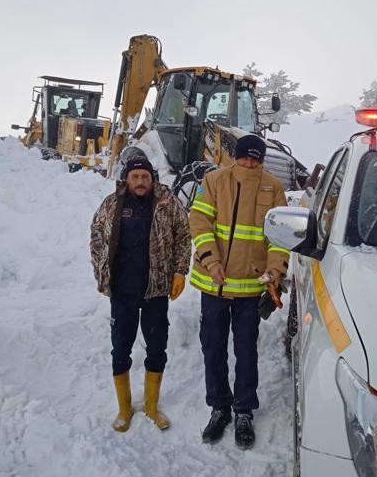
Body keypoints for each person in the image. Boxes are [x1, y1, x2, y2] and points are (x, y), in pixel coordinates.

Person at [188, 134, 290, 449]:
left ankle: (243, 411)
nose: (249, 163)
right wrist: (211, 261)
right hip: (214, 285)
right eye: (245, 157)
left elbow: (280, 237)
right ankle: (219, 408)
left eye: (255, 158)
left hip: (250, 288)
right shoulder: (214, 179)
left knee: (246, 352)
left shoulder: (274, 188)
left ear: (262, 159)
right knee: (213, 348)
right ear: (236, 156)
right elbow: (199, 222)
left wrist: (275, 271)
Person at [90, 156, 191, 432]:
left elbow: (184, 234)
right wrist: (102, 269)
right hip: (122, 291)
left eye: (145, 177)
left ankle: (151, 406)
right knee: (120, 348)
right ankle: (124, 408)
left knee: (157, 348)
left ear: (152, 179)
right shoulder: (113, 204)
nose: (140, 182)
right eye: (135, 177)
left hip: (156, 290)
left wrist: (181, 271)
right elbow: (97, 234)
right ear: (127, 179)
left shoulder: (167, 203)